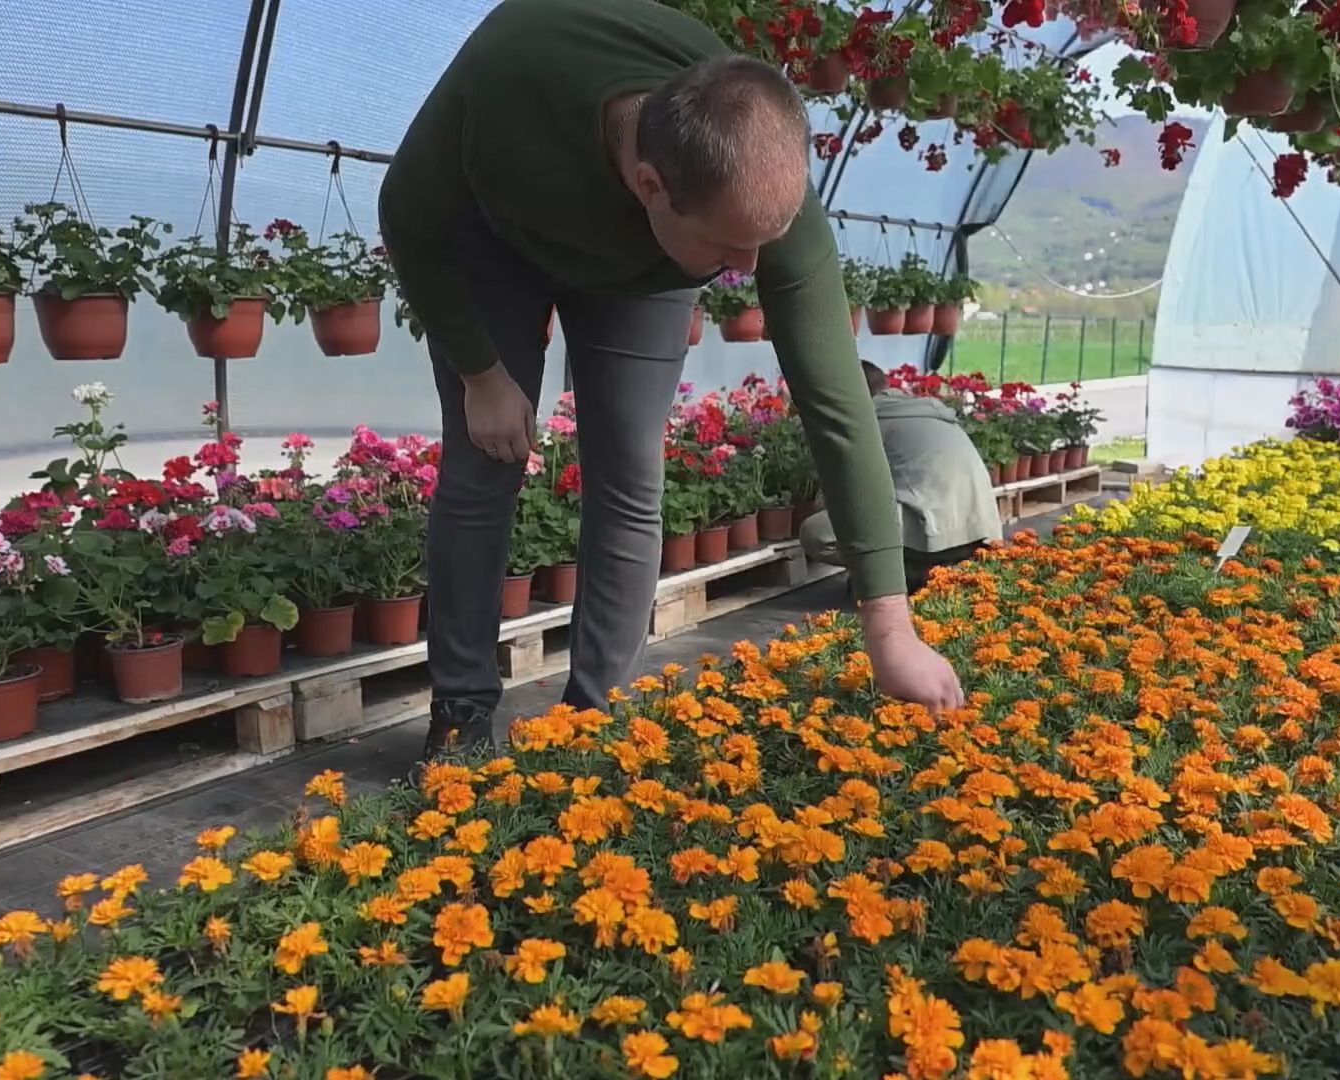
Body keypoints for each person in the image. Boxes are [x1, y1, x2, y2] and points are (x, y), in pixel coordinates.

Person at [378, 0, 963, 758]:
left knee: (629, 471)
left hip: (646, 273)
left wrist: (891, 629)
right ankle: (460, 715)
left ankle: (598, 722)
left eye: (764, 246)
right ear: (651, 185)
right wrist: (479, 373)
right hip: (495, 237)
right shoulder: (509, 79)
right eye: (730, 247)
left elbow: (837, 405)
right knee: (484, 460)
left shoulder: (749, 186)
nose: (750, 272)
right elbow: (407, 213)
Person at [800, 362, 1003, 591]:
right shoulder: (924, 410)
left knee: (816, 533)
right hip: (979, 533)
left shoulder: (865, 422)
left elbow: (840, 492)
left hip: (932, 535)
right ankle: (935, 568)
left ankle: (904, 574)